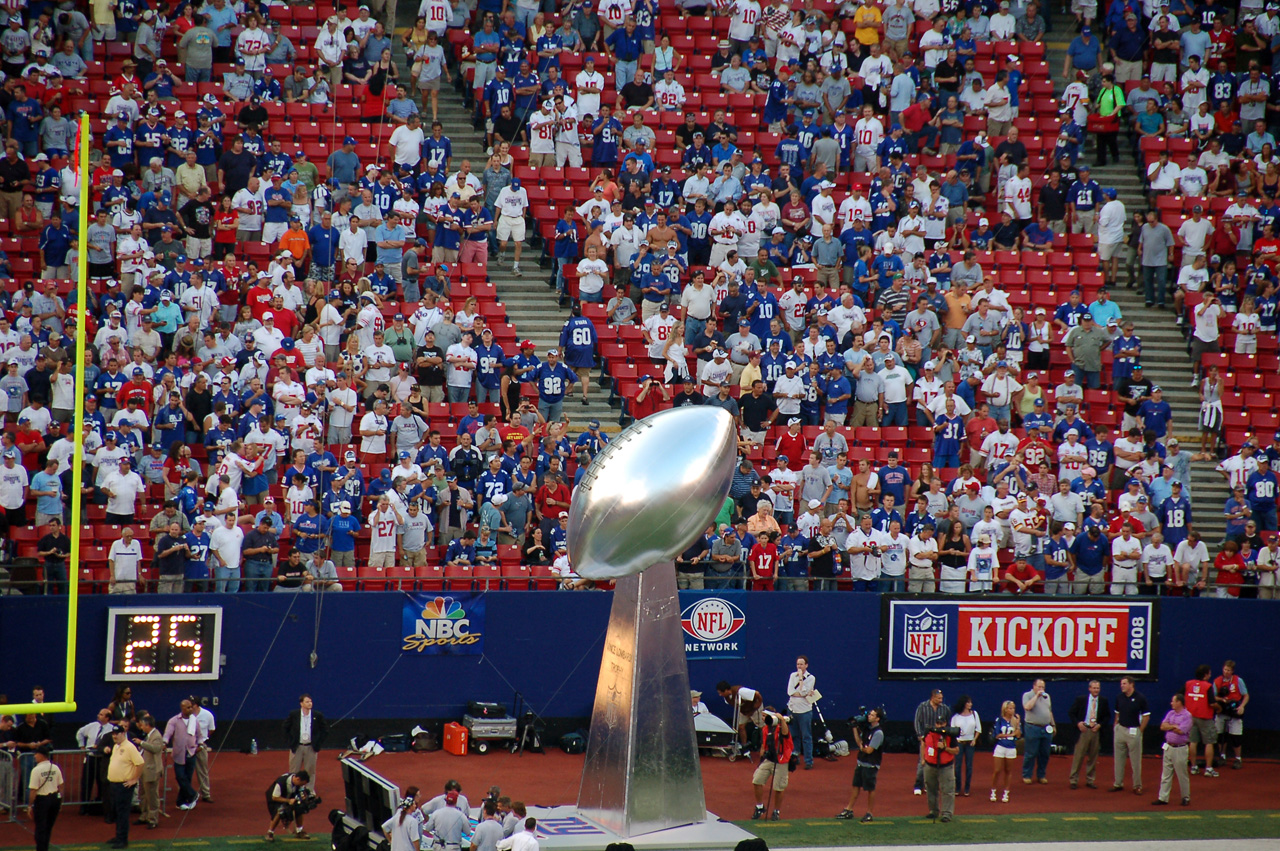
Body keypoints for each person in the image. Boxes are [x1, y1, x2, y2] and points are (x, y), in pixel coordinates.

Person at [835, 707, 883, 823]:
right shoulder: (867, 730)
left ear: (877, 718)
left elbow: (869, 750)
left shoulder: (878, 733)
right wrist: (855, 728)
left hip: (871, 765)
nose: (869, 716)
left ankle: (869, 813)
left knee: (870, 789)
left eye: (872, 715)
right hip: (861, 763)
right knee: (855, 786)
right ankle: (849, 809)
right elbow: (859, 743)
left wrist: (862, 748)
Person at [105, 724, 143, 849]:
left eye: (117, 734)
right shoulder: (116, 746)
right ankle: (118, 836)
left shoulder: (129, 747)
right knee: (117, 811)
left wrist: (134, 779)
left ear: (123, 734)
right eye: (113, 734)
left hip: (124, 785)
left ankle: (123, 839)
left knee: (122, 812)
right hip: (114, 784)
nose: (115, 736)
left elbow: (140, 763)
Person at [750, 708, 792, 821]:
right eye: (762, 716)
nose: (763, 718)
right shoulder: (765, 729)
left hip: (781, 760)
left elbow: (785, 733)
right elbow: (764, 743)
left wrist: (781, 720)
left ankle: (776, 811)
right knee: (757, 780)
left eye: (765, 716)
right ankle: (760, 807)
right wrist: (762, 751)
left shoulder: (780, 728)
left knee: (778, 787)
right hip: (769, 759)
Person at [1068, 680, 1110, 789]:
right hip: (1083, 731)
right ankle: (1073, 780)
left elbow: (1107, 717)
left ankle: (1090, 780)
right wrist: (1078, 723)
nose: (1096, 690)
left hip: (1095, 731)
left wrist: (1099, 725)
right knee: (1078, 756)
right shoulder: (1081, 700)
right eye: (1094, 688)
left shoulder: (1103, 701)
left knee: (1093, 757)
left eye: (1098, 688)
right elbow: (1071, 713)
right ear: (1089, 688)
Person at [1112, 675, 1150, 794]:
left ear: (1131, 684)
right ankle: (1118, 783)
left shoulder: (1140, 698)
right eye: (1121, 684)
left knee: (1135, 761)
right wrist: (1116, 727)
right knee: (1118, 760)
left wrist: (1140, 731)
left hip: (1133, 732)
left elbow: (1146, 716)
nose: (1122, 686)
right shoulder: (1119, 697)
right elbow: (1117, 714)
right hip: (1120, 730)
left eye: (1124, 683)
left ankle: (1137, 786)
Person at [1152, 693, 1192, 807]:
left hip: (1180, 748)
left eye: (1173, 701)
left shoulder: (1187, 716)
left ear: (1179, 702)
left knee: (1182, 774)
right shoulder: (1170, 713)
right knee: (1166, 774)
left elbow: (1182, 731)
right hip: (1168, 747)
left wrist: (1170, 726)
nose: (1171, 703)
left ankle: (1185, 797)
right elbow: (1162, 726)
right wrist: (1174, 726)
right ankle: (1163, 798)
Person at [163, 699, 200, 811]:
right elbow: (167, 733)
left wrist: (201, 745)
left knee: (187, 778)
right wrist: (164, 742)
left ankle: (180, 802)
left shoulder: (195, 721)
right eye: (187, 707)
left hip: (191, 753)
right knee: (180, 777)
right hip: (179, 754)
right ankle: (193, 794)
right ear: (182, 708)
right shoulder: (174, 721)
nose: (190, 709)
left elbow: (200, 735)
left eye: (191, 707)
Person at [284, 694, 327, 792]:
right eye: (307, 702)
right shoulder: (294, 714)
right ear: (301, 703)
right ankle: (293, 790)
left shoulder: (317, 715)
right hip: (297, 746)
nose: (310, 703)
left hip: (311, 747)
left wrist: (318, 743)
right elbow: (285, 728)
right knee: (294, 770)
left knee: (310, 771)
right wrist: (290, 742)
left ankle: (309, 790)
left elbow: (325, 730)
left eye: (311, 701)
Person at [1212, 661, 1249, 769]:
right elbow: (1213, 697)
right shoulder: (1217, 681)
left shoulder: (1238, 680)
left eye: (1228, 670)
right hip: (1221, 710)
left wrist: (1242, 706)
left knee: (1235, 736)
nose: (1226, 672)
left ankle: (1238, 758)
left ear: (1232, 671)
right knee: (1220, 735)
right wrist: (1221, 699)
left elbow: (1246, 695)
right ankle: (1222, 756)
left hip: (1235, 710)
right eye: (1225, 670)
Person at [912, 688, 949, 794]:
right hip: (926, 739)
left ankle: (932, 785)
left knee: (938, 762)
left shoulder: (945, 709)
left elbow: (948, 723)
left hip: (939, 740)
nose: (941, 700)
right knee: (922, 761)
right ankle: (918, 785)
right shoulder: (922, 707)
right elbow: (917, 721)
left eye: (941, 698)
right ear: (932, 697)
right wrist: (920, 735)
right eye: (938, 698)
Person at [922, 715, 958, 821]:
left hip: (946, 766)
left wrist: (945, 748)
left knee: (947, 790)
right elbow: (923, 744)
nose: (939, 726)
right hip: (930, 764)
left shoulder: (950, 734)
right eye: (937, 723)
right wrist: (923, 758)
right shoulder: (929, 732)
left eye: (941, 723)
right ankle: (933, 811)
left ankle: (947, 813)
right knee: (931, 789)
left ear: (945, 723)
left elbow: (956, 750)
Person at [1184, 664, 1218, 776]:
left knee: (1193, 742)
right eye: (1209, 673)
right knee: (1209, 742)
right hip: (1205, 718)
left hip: (1191, 717)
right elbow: (1212, 703)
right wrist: (1219, 707)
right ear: (1206, 674)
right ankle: (1208, 769)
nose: (1210, 675)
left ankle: (1193, 767)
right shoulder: (1208, 686)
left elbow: (1179, 696)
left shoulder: (1188, 684)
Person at [28, 744, 63, 851]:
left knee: (40, 828)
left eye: (36, 754)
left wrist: (30, 805)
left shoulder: (36, 770)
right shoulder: (55, 767)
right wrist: (60, 800)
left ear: (41, 755)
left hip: (42, 800)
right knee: (48, 827)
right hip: (54, 799)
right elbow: (61, 785)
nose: (34, 756)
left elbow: (33, 790)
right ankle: (45, 848)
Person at [716, 681, 763, 757]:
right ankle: (744, 746)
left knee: (762, 727)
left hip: (754, 708)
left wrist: (758, 704)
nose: (720, 695)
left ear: (726, 690)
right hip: (744, 710)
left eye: (721, 692)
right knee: (741, 727)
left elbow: (757, 694)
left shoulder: (741, 691)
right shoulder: (726, 699)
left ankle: (764, 746)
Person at [132, 714, 164, 830]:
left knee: (152, 797)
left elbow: (155, 749)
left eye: (143, 725)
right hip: (145, 770)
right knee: (143, 795)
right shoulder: (149, 735)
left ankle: (153, 819)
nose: (141, 727)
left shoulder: (156, 736)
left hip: (152, 771)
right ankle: (144, 816)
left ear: (147, 725)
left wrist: (141, 743)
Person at [785, 656, 817, 770]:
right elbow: (790, 692)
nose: (799, 666)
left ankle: (808, 761)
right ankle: (795, 757)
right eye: (798, 664)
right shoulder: (792, 675)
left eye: (801, 664)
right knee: (794, 735)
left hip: (805, 712)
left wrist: (800, 681)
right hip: (792, 709)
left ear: (806, 665)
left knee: (806, 736)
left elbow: (804, 692)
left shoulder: (811, 678)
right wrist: (802, 693)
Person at [1021, 678, 1054, 783]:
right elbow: (1027, 707)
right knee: (1031, 753)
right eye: (1039, 687)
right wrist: (1036, 696)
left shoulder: (1047, 696)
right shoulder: (1027, 695)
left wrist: (1053, 725)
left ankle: (1041, 775)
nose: (1041, 689)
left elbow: (1049, 711)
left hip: (1046, 727)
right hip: (1032, 727)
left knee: (1044, 753)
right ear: (1034, 686)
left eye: (1043, 687)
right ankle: (1027, 775)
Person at [265, 769, 312, 841]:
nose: (302, 786)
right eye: (302, 784)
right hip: (275, 798)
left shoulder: (297, 782)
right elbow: (274, 797)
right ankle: (270, 832)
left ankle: (299, 831)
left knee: (300, 808)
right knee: (279, 811)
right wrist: (288, 801)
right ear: (298, 779)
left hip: (289, 796)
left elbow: (301, 792)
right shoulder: (281, 782)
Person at [990, 700, 1021, 802]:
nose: (1012, 710)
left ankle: (1006, 792)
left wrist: (1018, 724)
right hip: (1001, 746)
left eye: (1013, 708)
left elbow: (1019, 735)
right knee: (997, 770)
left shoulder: (1015, 721)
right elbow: (997, 735)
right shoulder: (999, 720)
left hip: (1011, 748)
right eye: (1010, 708)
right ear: (1005, 709)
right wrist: (1010, 735)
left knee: (1008, 771)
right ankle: (993, 790)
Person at [950, 696, 980, 797]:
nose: (970, 704)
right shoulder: (955, 717)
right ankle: (958, 787)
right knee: (957, 766)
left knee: (969, 765)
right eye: (968, 702)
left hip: (970, 743)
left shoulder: (974, 714)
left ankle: (967, 787)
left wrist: (974, 739)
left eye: (970, 702)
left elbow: (978, 729)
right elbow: (952, 731)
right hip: (959, 742)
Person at [380, 785, 421, 851]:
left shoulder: (398, 815)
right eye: (413, 804)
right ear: (410, 806)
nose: (415, 805)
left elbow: (384, 827)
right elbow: (415, 840)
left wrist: (391, 842)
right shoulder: (412, 821)